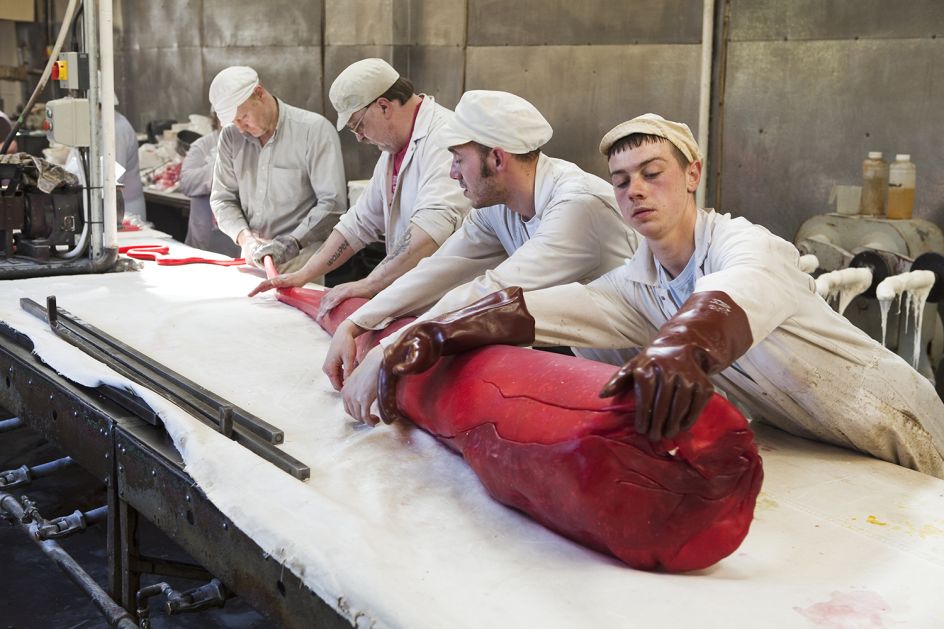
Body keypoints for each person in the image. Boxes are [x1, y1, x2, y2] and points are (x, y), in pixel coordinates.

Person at [375, 113, 944, 479]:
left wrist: (685, 347)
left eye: (653, 172)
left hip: (901, 430)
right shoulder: (637, 287)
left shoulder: (749, 246)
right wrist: (434, 332)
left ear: (693, 174)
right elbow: (549, 308)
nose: (636, 190)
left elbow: (730, 295)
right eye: (621, 181)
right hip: (820, 446)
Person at [326, 90, 640, 422]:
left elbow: (492, 293)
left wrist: (387, 353)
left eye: (459, 159)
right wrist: (357, 321)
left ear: (498, 159)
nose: (452, 173)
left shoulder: (578, 207)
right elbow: (441, 269)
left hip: (653, 386)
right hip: (603, 377)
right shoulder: (500, 206)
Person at [248, 58, 469, 310]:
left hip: (451, 302)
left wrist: (369, 284)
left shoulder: (443, 137)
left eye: (358, 126)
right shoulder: (393, 148)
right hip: (417, 297)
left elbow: (431, 230)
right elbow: (358, 224)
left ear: (384, 106)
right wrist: (303, 275)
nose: (361, 137)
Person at [209, 66, 346, 274]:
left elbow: (333, 203)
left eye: (243, 117)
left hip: (301, 263)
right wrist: (245, 239)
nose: (240, 128)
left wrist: (291, 242)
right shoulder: (230, 137)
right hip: (252, 258)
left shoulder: (313, 130)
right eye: (233, 121)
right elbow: (222, 198)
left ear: (259, 93)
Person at [179, 113, 239, 256]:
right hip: (204, 235)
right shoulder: (202, 145)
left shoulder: (251, 144)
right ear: (216, 118)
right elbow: (186, 183)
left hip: (237, 238)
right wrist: (219, 170)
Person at [115, 107, 145, 220]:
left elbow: (115, 175)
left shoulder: (116, 127)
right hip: (117, 206)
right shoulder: (100, 124)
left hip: (126, 207)